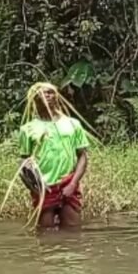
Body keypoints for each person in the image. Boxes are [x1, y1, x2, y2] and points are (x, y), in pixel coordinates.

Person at [17, 83, 89, 229]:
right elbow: (24, 161)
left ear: (57, 97)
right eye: (42, 93)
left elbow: (82, 156)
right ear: (34, 100)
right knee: (45, 233)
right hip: (44, 188)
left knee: (73, 230)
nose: (47, 96)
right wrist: (34, 187)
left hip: (67, 183)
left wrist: (73, 183)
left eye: (50, 92)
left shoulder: (72, 124)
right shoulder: (28, 129)